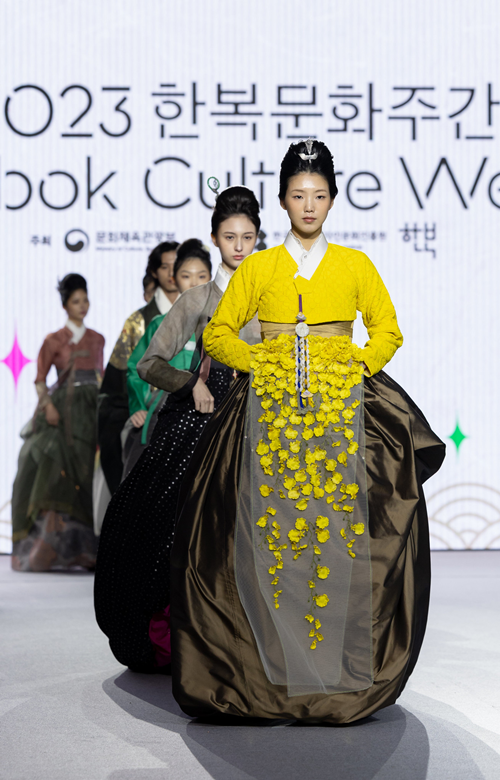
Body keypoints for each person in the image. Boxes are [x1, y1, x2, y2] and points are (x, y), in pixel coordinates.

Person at [169, 140, 446, 724]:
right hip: (268, 418)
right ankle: (268, 673)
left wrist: (356, 365)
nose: (309, 206)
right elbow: (218, 335)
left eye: (319, 196)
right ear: (282, 200)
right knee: (270, 535)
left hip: (339, 418)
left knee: (340, 535)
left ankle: (336, 670)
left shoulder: (353, 265)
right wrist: (261, 361)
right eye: (299, 195)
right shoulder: (264, 266)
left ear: (334, 200)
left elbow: (389, 331)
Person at [94, 186, 261, 672]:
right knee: (180, 530)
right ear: (213, 238)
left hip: (260, 421)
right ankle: (193, 634)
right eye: (229, 236)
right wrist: (192, 383)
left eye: (247, 237)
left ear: (258, 238)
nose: (238, 246)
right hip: (206, 420)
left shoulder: (275, 291)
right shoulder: (198, 297)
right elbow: (149, 363)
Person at [11, 274, 105, 572]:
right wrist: (48, 406)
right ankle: (51, 547)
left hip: (91, 412)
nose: (82, 306)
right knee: (51, 470)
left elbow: (102, 376)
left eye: (85, 300)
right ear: (65, 305)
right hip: (62, 413)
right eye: (76, 301)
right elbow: (40, 380)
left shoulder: (98, 339)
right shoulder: (53, 340)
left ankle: (86, 549)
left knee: (89, 475)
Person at [121, 239, 212, 478]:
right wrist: (138, 406)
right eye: (186, 276)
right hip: (164, 405)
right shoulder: (160, 324)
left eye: (202, 276)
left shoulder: (220, 322)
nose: (194, 283)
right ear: (175, 280)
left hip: (209, 402)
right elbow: (136, 368)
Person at [97, 241, 179, 497]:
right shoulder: (137, 321)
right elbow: (120, 375)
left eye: (177, 267)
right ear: (155, 272)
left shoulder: (197, 313)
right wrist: (137, 406)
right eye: (165, 267)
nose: (172, 273)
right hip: (142, 405)